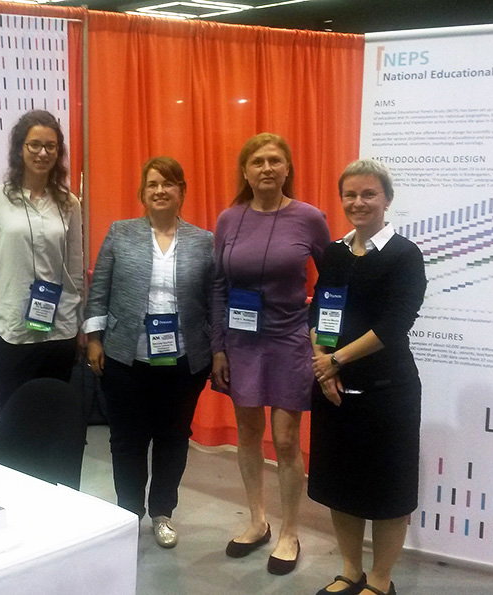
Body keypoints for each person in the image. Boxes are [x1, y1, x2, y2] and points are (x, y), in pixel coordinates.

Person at [211, 133, 330, 574]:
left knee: (284, 438)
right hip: (241, 342)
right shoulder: (229, 218)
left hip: (288, 339)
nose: (265, 168)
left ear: (286, 170)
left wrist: (316, 331)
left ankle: (289, 531)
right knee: (246, 431)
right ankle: (258, 521)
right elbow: (220, 286)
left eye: (274, 161)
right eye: (257, 161)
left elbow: (332, 283)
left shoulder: (309, 218)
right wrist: (218, 346)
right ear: (245, 171)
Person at [308, 159, 426, 595]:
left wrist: (334, 361)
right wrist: (322, 365)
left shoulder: (404, 255)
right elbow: (318, 312)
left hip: (386, 392)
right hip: (334, 390)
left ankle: (379, 581)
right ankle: (350, 571)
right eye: (351, 195)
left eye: (369, 194)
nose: (358, 202)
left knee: (388, 492)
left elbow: (393, 326)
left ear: (387, 200)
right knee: (341, 486)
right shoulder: (334, 253)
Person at [84, 157, 213, 549]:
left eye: (169, 184)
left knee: (174, 438)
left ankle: (162, 512)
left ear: (182, 192)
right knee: (126, 440)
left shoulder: (203, 241)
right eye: (153, 184)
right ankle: (128, 514)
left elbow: (213, 300)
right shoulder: (120, 233)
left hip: (184, 360)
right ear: (142, 193)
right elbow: (99, 290)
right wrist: (93, 338)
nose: (160, 190)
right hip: (126, 357)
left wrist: (217, 348)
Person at [0, 110, 84, 409]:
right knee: (15, 421)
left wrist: (81, 325)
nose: (42, 153)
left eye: (51, 146)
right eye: (34, 144)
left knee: (53, 421)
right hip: (13, 332)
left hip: (59, 333)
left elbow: (74, 271)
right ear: (20, 148)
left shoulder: (69, 203)